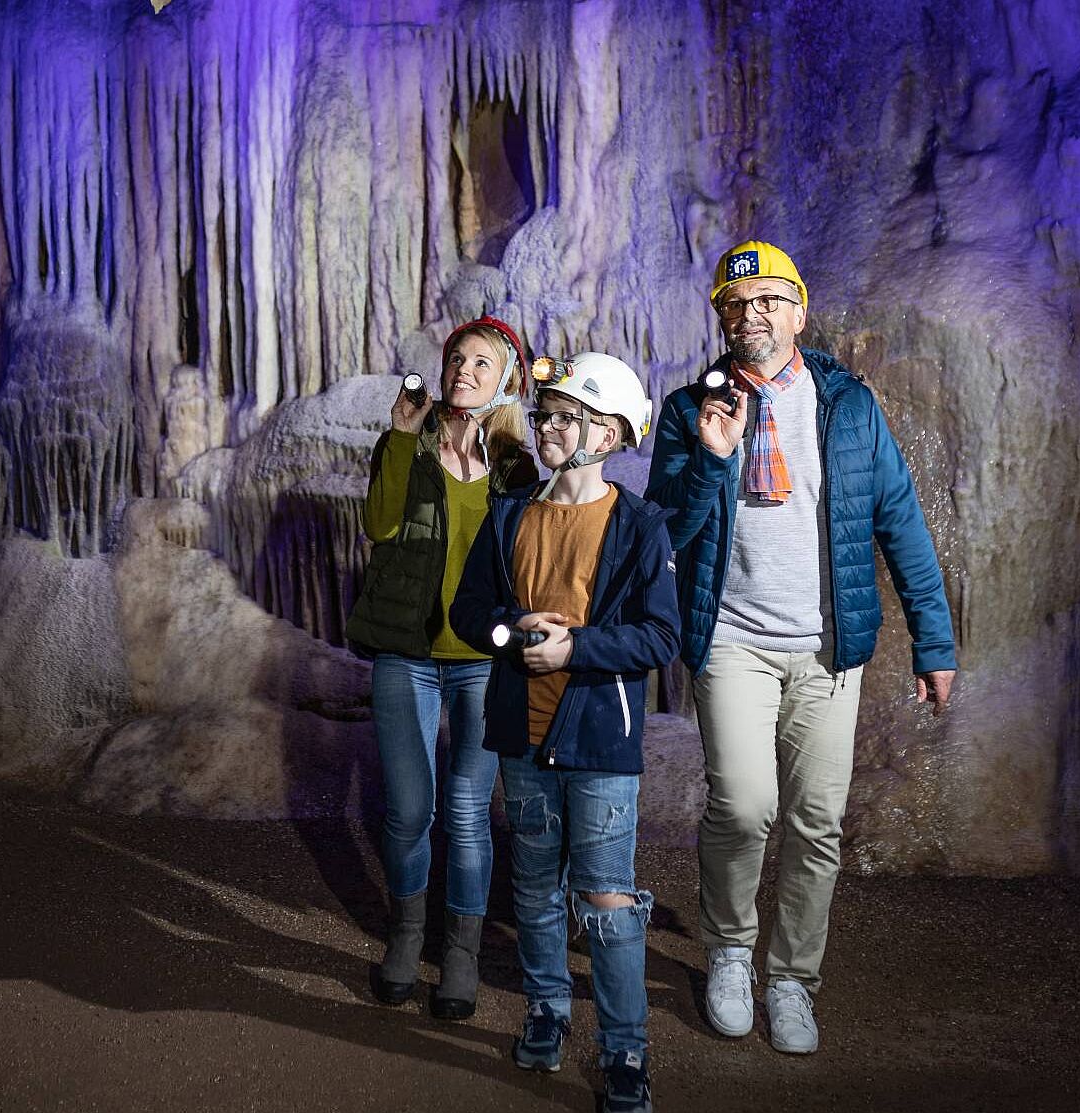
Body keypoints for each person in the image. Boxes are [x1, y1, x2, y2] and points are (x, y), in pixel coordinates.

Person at [644, 240, 958, 1055]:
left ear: (799, 310)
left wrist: (935, 639)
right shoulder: (689, 409)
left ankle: (791, 978)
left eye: (768, 301)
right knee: (744, 807)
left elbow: (901, 519)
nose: (753, 316)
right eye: (737, 305)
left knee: (817, 821)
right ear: (720, 315)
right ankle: (729, 953)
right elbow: (664, 536)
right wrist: (712, 462)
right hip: (732, 642)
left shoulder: (849, 405)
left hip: (827, 647)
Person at [449, 352, 677, 1113]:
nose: (544, 428)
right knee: (538, 888)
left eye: (562, 418)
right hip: (523, 736)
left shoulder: (639, 525)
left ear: (606, 433)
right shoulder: (512, 512)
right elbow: (467, 610)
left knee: (607, 901)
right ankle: (547, 1009)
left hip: (601, 745)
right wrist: (511, 630)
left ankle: (623, 1049)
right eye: (544, 415)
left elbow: (659, 638)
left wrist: (578, 647)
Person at [346, 316, 537, 1020]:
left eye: (480, 364)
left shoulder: (516, 464)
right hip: (409, 652)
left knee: (465, 810)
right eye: (456, 358)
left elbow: (533, 553)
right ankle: (405, 933)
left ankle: (459, 951)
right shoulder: (410, 443)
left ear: (504, 380)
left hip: (481, 661)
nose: (462, 371)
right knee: (407, 811)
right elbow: (379, 523)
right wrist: (400, 434)